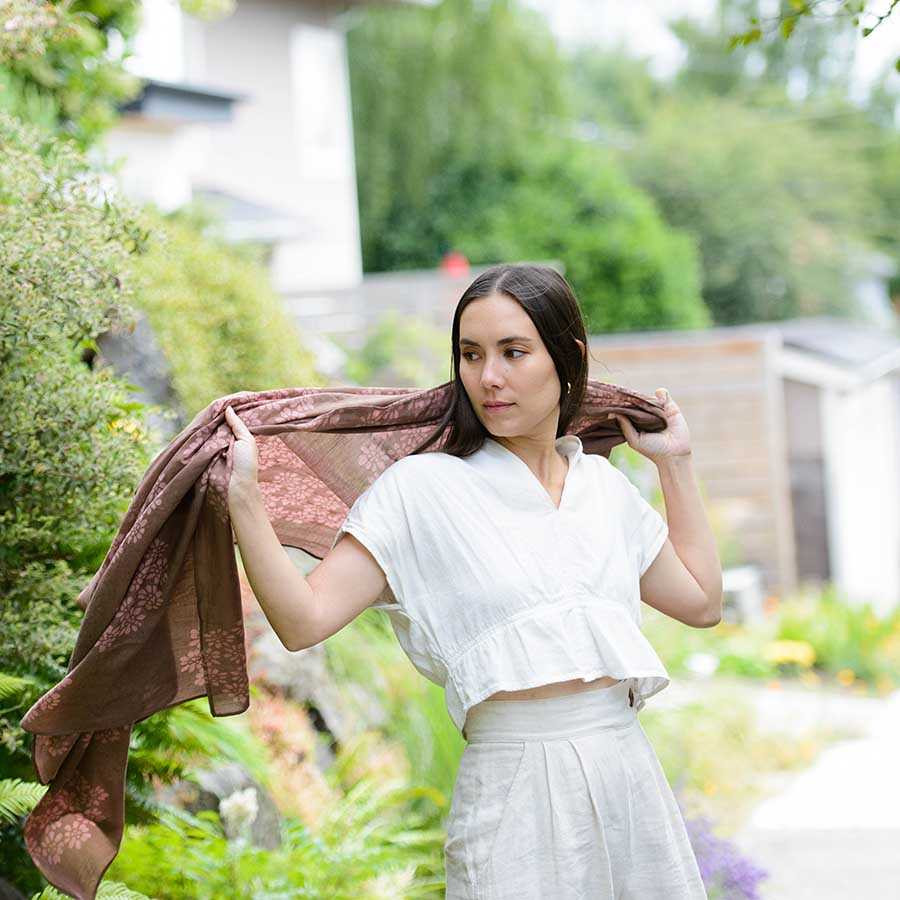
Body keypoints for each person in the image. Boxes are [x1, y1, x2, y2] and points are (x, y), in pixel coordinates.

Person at [224, 263, 721, 898]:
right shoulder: (423, 489)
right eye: (470, 354)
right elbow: (303, 620)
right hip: (513, 789)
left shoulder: (602, 489)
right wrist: (244, 501)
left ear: (566, 357)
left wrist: (675, 465)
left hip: (628, 774)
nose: (489, 377)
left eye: (514, 352)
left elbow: (702, 601)